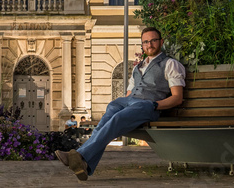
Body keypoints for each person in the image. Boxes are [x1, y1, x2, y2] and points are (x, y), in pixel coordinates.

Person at [55, 27, 185, 181]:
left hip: (148, 106)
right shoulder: (138, 67)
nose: (149, 45)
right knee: (111, 110)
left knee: (116, 120)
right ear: (142, 45)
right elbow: (130, 93)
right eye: (145, 42)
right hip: (131, 103)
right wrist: (125, 105)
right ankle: (84, 164)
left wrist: (154, 105)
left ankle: (80, 155)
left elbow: (177, 97)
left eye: (153, 40)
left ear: (161, 42)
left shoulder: (170, 64)